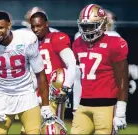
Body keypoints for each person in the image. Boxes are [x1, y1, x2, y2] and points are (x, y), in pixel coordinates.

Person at [0, 11, 53, 134]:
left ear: (9, 25)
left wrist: (45, 105)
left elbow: (40, 73)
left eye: (1, 27)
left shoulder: (26, 39)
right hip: (2, 96)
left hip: (26, 94)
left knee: (33, 132)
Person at [71, 4, 128, 134]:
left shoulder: (115, 42)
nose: (87, 30)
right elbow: (78, 77)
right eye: (84, 26)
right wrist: (75, 106)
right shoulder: (78, 43)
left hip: (107, 105)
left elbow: (122, 81)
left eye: (91, 26)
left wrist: (120, 112)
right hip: (84, 103)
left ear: (102, 25)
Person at [30, 12, 76, 121]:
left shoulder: (56, 38)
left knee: (52, 127)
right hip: (37, 94)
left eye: (38, 26)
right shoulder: (32, 43)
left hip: (54, 91)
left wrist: (66, 86)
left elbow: (72, 62)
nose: (36, 29)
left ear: (46, 24)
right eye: (33, 27)